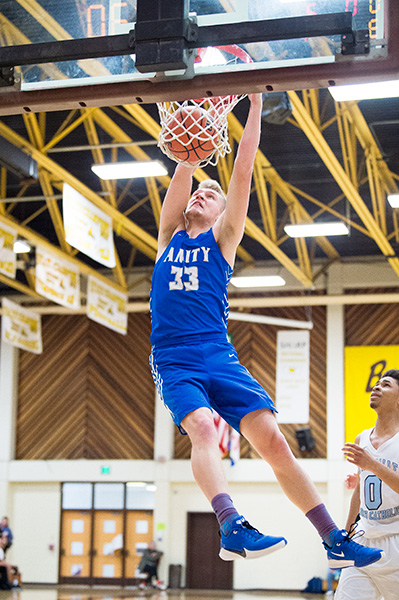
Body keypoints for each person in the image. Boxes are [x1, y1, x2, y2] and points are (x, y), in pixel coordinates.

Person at [149, 93, 383, 568]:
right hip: (173, 355)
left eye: (210, 195)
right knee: (200, 428)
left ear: (221, 213)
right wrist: (190, 150)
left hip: (217, 351)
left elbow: (243, 169)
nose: (201, 195)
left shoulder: (223, 239)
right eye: (199, 191)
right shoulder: (168, 236)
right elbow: (184, 165)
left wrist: (253, 103)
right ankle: (231, 524)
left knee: (274, 441)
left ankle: (333, 538)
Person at [335, 369, 399, 600]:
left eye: (386, 385)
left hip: (396, 540)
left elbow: (374, 469)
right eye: (377, 383)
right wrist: (348, 531)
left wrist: (372, 465)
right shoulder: (362, 439)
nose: (377, 387)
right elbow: (360, 491)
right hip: (364, 540)